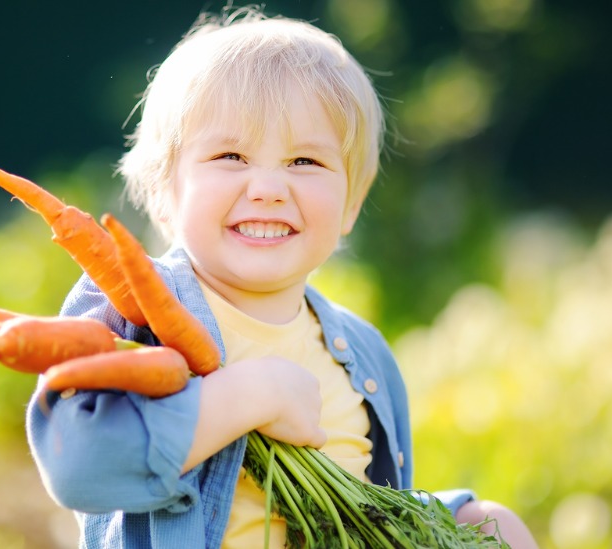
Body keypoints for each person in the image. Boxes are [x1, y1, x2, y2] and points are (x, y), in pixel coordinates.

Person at [26, 6, 539, 548]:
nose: (268, 187)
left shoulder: (363, 354)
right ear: (164, 192)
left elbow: (373, 516)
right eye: (230, 155)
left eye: (305, 162)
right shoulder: (132, 308)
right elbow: (77, 465)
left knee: (495, 524)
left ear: (351, 203)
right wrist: (248, 396)